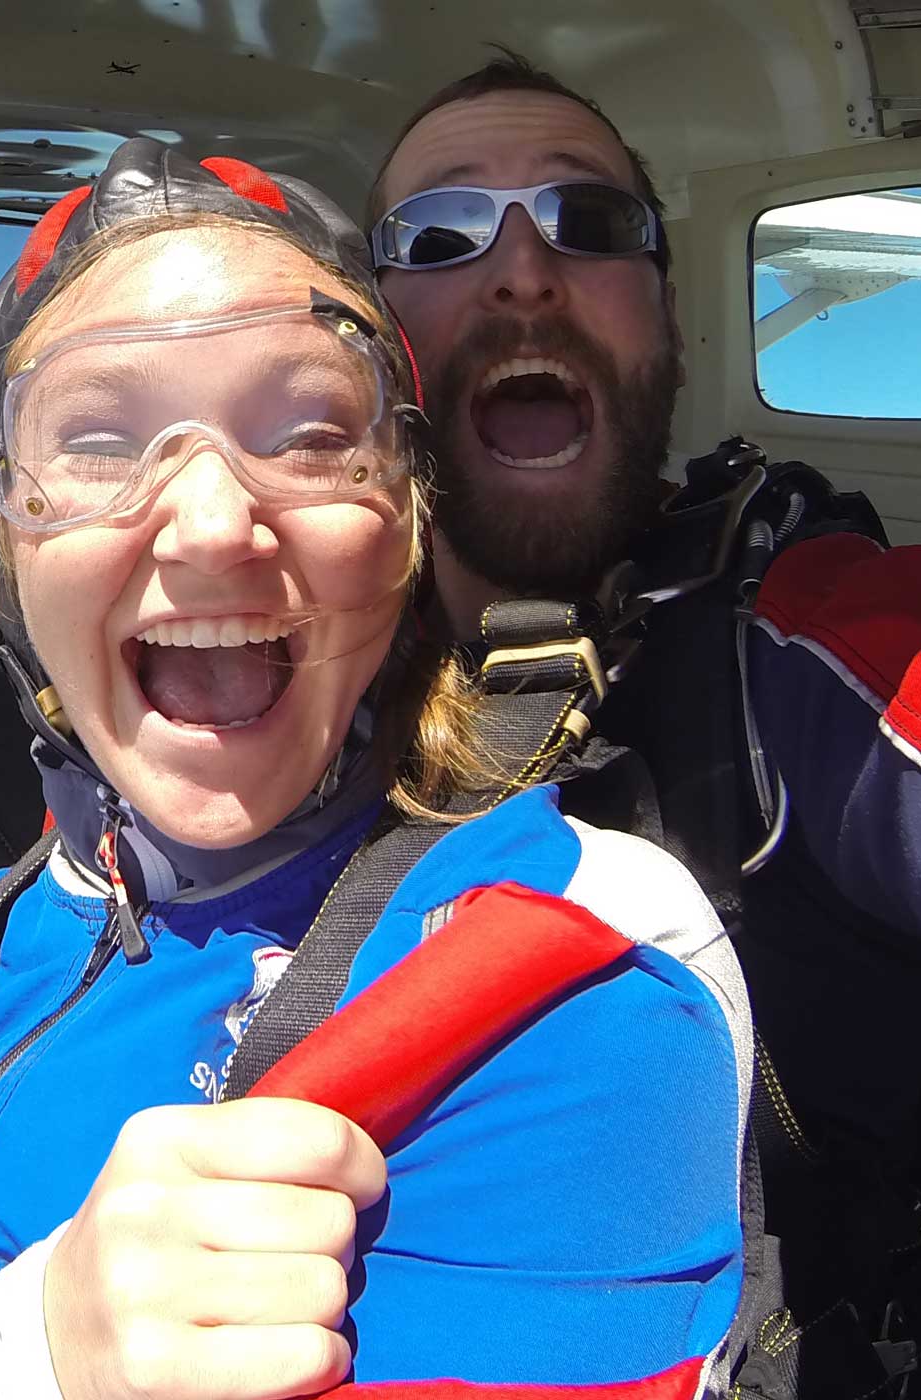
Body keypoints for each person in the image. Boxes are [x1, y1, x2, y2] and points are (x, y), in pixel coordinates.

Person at [0, 140, 754, 1399]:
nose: (217, 522)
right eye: (104, 440)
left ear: (404, 531)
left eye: (315, 433)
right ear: (6, 565)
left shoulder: (562, 963)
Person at [364, 52, 921, 1393]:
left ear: (668, 324)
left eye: (591, 223)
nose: (521, 273)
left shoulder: (802, 640)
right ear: (359, 336)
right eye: (440, 234)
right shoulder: (265, 673)